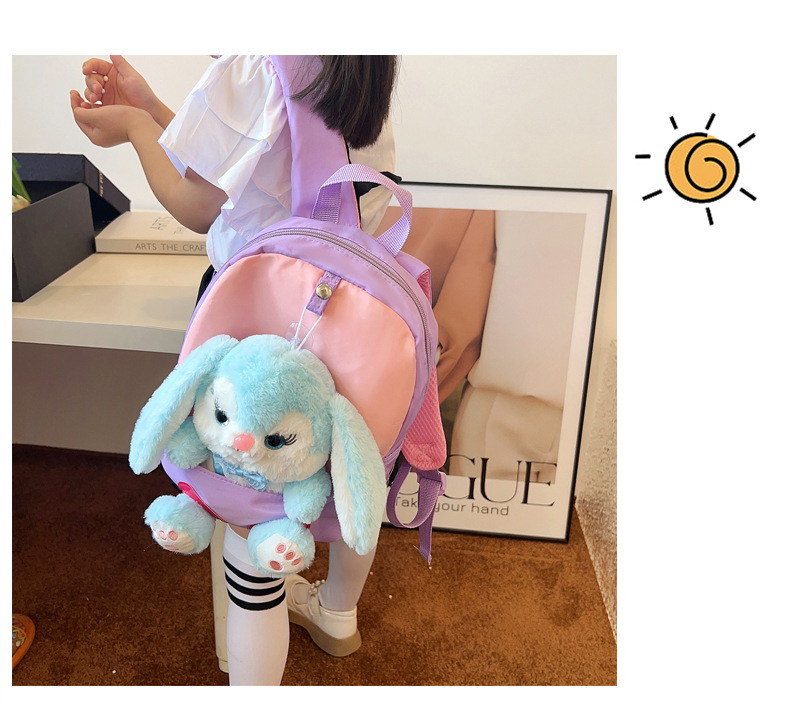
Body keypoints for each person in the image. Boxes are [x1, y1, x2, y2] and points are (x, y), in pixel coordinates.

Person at [70, 54, 399, 686]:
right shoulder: (352, 58)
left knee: (252, 534)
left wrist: (137, 128)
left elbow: (198, 204)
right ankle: (337, 612)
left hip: (265, 322)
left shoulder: (254, 64)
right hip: (349, 313)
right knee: (354, 468)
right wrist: (156, 110)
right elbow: (256, 163)